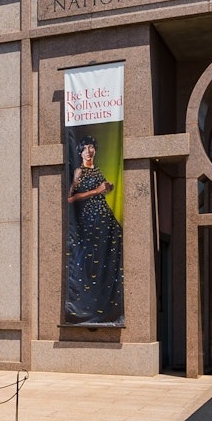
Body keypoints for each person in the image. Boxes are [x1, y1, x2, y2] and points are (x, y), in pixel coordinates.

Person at [65, 136, 124, 324]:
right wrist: (96, 191)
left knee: (111, 252)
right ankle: (86, 308)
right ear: (80, 152)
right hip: (89, 220)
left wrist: (107, 187)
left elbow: (102, 188)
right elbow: (70, 198)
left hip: (104, 216)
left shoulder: (97, 171)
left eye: (91, 147)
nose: (89, 151)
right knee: (90, 258)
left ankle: (109, 303)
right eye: (85, 148)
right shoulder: (78, 171)